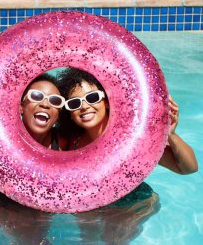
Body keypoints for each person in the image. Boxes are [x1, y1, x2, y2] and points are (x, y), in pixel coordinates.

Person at [57, 67, 198, 174]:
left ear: (106, 101)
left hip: (132, 205)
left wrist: (171, 134)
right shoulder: (72, 141)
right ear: (69, 112)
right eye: (74, 103)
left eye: (92, 98)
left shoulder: (132, 139)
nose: (84, 107)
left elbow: (189, 169)